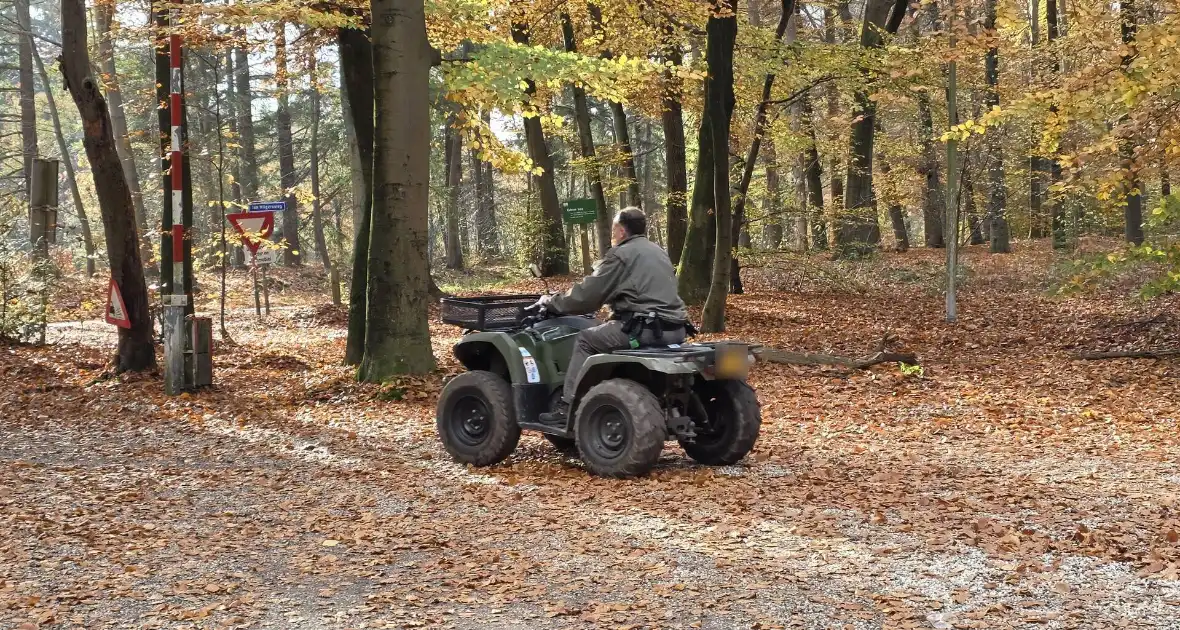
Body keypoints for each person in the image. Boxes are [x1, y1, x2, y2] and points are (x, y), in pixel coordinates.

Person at [533, 207, 689, 426]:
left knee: (587, 339)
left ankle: (567, 407)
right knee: (607, 331)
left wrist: (553, 302)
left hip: (643, 330)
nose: (612, 234)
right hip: (676, 329)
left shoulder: (621, 254)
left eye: (614, 229)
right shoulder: (658, 251)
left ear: (622, 231)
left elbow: (588, 295)